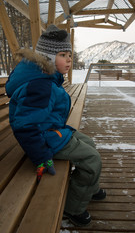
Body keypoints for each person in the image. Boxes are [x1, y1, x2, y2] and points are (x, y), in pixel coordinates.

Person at [6, 24, 106, 227]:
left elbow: (35, 116)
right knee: (92, 159)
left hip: (50, 130)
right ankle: (72, 208)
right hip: (44, 139)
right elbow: (25, 127)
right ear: (48, 59)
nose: (69, 59)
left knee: (89, 143)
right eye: (63, 54)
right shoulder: (40, 85)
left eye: (69, 54)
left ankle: (88, 186)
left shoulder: (44, 77)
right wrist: (42, 157)